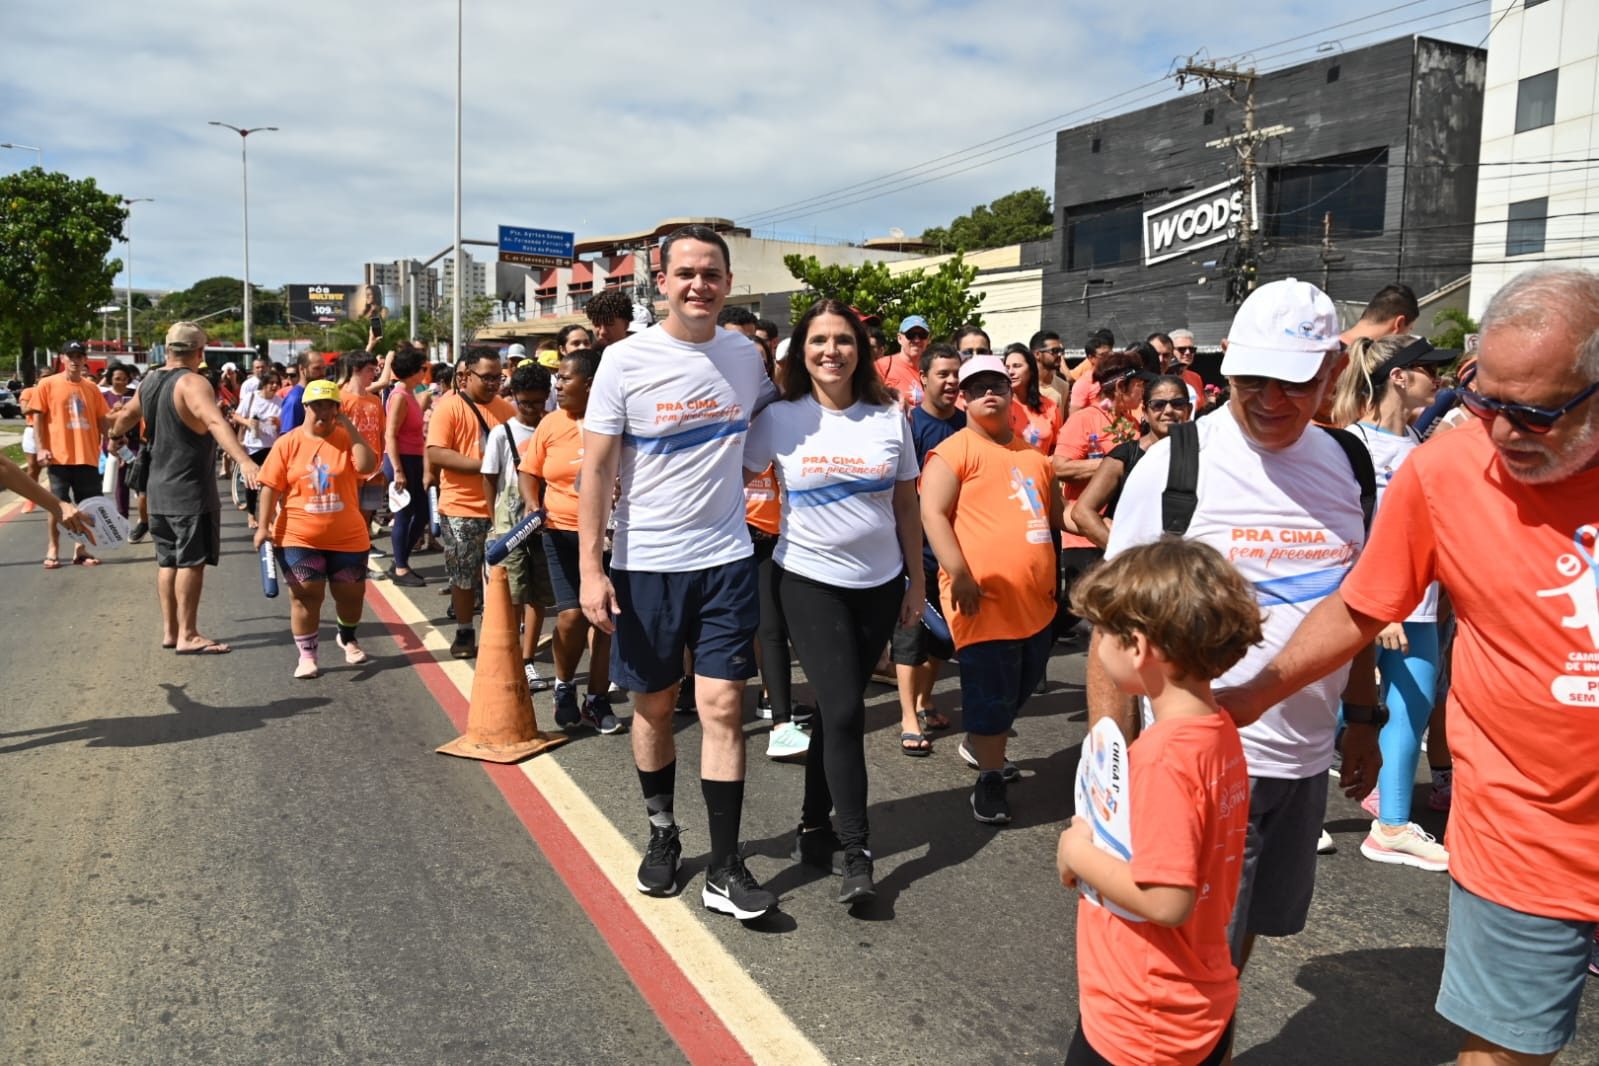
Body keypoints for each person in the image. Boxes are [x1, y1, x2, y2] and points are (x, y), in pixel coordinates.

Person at [1222, 268, 1599, 1065]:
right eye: (1482, 399)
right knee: (1501, 1051)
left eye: (1533, 413)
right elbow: (1361, 605)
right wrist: (1246, 696)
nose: (1500, 433)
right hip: (1523, 831)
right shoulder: (1443, 471)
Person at [1088, 279, 1380, 987]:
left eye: (1292, 382)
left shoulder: (1350, 465)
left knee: (1235, 950)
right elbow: (1110, 630)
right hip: (1199, 762)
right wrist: (1106, 772)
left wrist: (1364, 721)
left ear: (1332, 373)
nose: (1269, 400)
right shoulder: (1174, 464)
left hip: (1305, 764)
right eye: (1251, 379)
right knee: (1178, 963)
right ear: (1226, 368)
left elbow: (1358, 608)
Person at [578, 224, 780, 919]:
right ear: (661, 282)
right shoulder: (626, 362)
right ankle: (663, 832)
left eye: (712, 273)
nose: (699, 284)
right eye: (686, 273)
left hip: (725, 558)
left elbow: (768, 427)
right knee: (655, 705)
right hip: (645, 564)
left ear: (728, 284)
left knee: (723, 706)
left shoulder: (745, 357)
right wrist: (590, 569)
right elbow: (597, 469)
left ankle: (725, 865)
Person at [744, 299, 923, 904]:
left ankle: (813, 825)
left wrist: (916, 583)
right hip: (808, 581)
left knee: (833, 714)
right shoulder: (780, 417)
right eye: (819, 340)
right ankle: (857, 850)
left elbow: (905, 503)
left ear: (861, 350)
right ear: (803, 349)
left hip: (880, 585)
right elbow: (728, 474)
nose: (831, 351)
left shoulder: (889, 413)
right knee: (845, 711)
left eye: (843, 341)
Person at [1058, 539, 1256, 1066]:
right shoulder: (1218, 732)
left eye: (1100, 633)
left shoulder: (1163, 760)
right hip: (1195, 998)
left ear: (1139, 647)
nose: (1094, 646)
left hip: (1140, 1020)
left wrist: (1077, 852)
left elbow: (1168, 900)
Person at [1329, 333, 1455, 871]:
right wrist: (1381, 607)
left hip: (1422, 609)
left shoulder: (1427, 451)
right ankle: (1301, 810)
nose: (1441, 377)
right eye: (1430, 368)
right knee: (1326, 715)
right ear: (1399, 377)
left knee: (1412, 712)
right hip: (1363, 608)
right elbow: (1343, 533)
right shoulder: (1348, 443)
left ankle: (1393, 825)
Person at [921, 355, 1061, 825]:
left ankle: (983, 742)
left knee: (1020, 686)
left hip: (1036, 604)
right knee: (990, 690)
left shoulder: (1035, 458)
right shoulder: (954, 451)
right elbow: (932, 514)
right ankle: (990, 778)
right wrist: (958, 573)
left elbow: (1054, 521)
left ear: (1011, 390)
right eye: (976, 387)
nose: (989, 393)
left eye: (997, 384)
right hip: (980, 601)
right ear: (962, 398)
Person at [108, 322, 261, 654]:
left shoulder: (148, 381)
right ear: (200, 352)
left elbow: (124, 418)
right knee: (191, 562)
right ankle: (189, 634)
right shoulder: (193, 383)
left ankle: (171, 631)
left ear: (167, 348)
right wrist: (244, 461)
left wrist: (114, 437)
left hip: (157, 491)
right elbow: (215, 422)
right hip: (189, 491)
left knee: (167, 563)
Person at [520, 348, 623, 734]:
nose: (557, 385)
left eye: (565, 379)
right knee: (571, 615)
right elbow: (529, 472)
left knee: (605, 621)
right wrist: (533, 504)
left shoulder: (616, 422)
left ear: (592, 384)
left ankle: (596, 699)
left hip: (611, 536)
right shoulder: (550, 424)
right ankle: (564, 687)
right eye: (557, 379)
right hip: (560, 532)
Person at [254, 379, 380, 678]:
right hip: (298, 534)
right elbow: (270, 487)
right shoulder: (288, 442)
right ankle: (307, 655)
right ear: (305, 407)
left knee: (350, 594)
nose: (323, 411)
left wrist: (348, 425)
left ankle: (347, 636)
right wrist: (262, 526)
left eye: (330, 404)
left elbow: (366, 465)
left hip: (347, 536)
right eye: (317, 405)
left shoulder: (346, 438)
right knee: (306, 594)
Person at [891, 342, 965, 756]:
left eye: (956, 374)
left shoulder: (968, 426)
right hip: (912, 550)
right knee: (910, 635)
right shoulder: (910, 426)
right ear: (924, 378)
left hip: (954, 550)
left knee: (945, 640)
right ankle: (906, 715)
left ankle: (926, 699)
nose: (952, 381)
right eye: (943, 374)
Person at [742, 335, 813, 761]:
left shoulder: (791, 413)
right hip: (727, 534)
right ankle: (690, 690)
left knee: (772, 628)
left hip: (775, 535)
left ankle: (778, 716)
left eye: (764, 362)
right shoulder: (722, 408)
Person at [482, 360, 565, 702]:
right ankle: (511, 654)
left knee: (538, 595)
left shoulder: (551, 428)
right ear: (513, 396)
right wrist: (493, 522)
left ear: (548, 397)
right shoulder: (503, 433)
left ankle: (528, 658)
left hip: (547, 524)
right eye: (525, 402)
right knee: (513, 593)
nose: (531, 409)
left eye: (538, 401)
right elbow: (489, 478)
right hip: (510, 523)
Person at [427, 348, 516, 659]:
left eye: (498, 377)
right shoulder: (448, 408)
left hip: (501, 509)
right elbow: (437, 453)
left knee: (504, 575)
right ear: (466, 377)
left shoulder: (507, 410)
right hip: (460, 508)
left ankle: (500, 629)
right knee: (463, 575)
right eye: (488, 377)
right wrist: (485, 465)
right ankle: (465, 630)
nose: (494, 383)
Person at [1070, 374, 1192, 550]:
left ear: (1189, 409)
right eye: (1158, 405)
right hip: (1135, 569)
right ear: (1145, 413)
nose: (1168, 411)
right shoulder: (1125, 456)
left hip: (1183, 562)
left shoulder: (1203, 454)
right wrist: (1121, 553)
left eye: (1177, 404)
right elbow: (1082, 512)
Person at [28, 342, 110, 568]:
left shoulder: (91, 388)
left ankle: (81, 549)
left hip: (87, 455)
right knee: (57, 505)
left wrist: (111, 440)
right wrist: (41, 447)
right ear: (62, 358)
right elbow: (38, 418)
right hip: (58, 456)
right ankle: (53, 547)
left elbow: (102, 418)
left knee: (87, 506)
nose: (75, 360)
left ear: (85, 359)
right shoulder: (47, 384)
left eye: (79, 356)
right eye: (70, 356)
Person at [383, 345, 431, 585]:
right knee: (404, 513)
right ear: (413, 370)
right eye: (422, 368)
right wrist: (398, 469)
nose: (425, 372)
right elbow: (390, 434)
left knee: (422, 513)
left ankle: (401, 558)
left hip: (413, 458)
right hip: (401, 459)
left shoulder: (409, 394)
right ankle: (400, 567)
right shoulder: (400, 396)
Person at [338, 350, 387, 552]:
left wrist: (383, 459)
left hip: (374, 467)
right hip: (351, 465)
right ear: (355, 370)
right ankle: (351, 548)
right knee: (351, 511)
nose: (373, 375)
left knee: (368, 510)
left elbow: (381, 431)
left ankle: (363, 545)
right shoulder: (341, 399)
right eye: (369, 370)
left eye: (374, 370)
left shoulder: (375, 400)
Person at [102, 362, 149, 539]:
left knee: (139, 481)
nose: (120, 382)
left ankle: (144, 518)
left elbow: (137, 416)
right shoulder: (105, 397)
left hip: (136, 443)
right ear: (110, 379)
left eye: (124, 378)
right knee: (121, 484)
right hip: (115, 445)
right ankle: (122, 519)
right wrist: (114, 414)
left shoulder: (134, 395)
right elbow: (104, 420)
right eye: (116, 379)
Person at [234, 368, 284, 528]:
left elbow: (284, 423)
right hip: (253, 445)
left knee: (270, 484)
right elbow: (236, 415)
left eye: (277, 383)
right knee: (252, 484)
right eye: (271, 383)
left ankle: (269, 518)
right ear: (264, 384)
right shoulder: (251, 397)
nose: (275, 386)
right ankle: (251, 516)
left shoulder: (280, 401)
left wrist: (277, 422)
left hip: (272, 446)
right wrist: (248, 422)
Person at [1004, 342, 1061, 454]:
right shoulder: (1000, 407)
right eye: (1007, 367)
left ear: (1031, 371)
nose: (1011, 372)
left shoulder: (1050, 407)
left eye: (1017, 366)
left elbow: (1057, 449)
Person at [876, 315, 929, 409]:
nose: (917, 340)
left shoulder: (931, 370)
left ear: (928, 339)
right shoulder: (883, 366)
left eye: (922, 335)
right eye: (911, 335)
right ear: (899, 338)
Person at [1167, 330, 1208, 412]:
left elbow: (1201, 406)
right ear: (1170, 351)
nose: (1188, 352)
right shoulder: (1161, 376)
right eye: (1182, 349)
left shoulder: (1196, 377)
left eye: (1191, 349)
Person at [1032, 330, 1070, 409]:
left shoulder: (1063, 386)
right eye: (1054, 351)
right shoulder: (1023, 385)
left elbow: (1064, 420)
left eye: (1061, 351)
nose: (1059, 355)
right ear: (1037, 354)